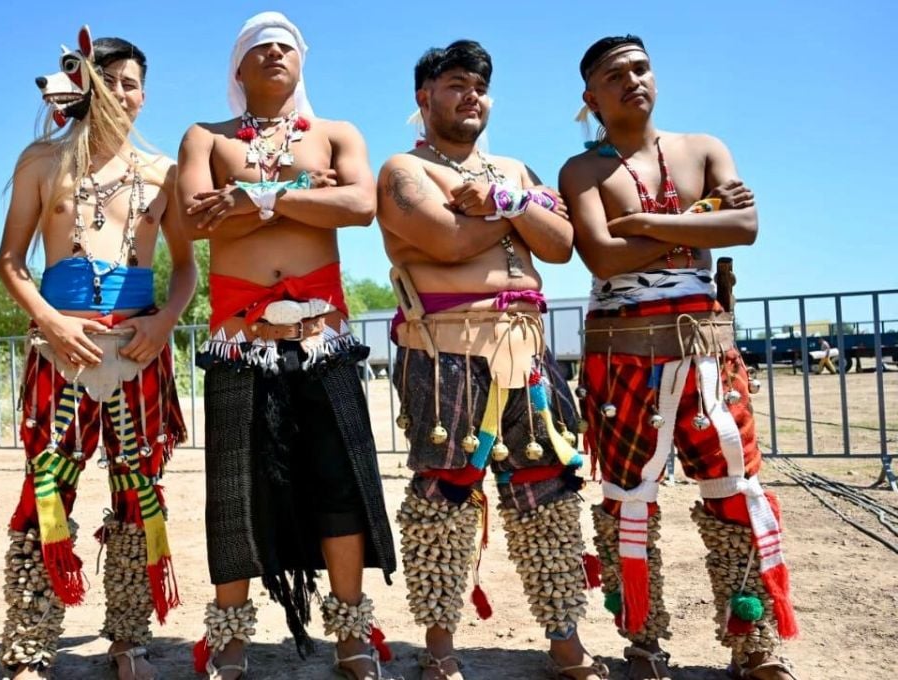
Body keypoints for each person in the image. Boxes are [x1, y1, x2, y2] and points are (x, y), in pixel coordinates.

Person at [559, 35, 799, 680]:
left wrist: (641, 222)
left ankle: (755, 642)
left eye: (642, 67)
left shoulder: (704, 148)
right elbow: (602, 259)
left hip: (707, 352)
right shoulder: (582, 172)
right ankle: (643, 642)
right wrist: (699, 220)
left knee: (736, 492)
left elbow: (744, 228)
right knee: (627, 500)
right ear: (592, 96)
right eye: (616, 74)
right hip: (623, 354)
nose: (634, 79)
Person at [175, 11, 397, 680]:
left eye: (285, 47)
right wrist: (304, 192)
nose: (274, 54)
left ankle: (351, 633)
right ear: (237, 70)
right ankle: (232, 637)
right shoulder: (206, 136)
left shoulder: (334, 133)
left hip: (323, 338)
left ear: (302, 62)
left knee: (339, 481)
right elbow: (192, 218)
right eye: (258, 48)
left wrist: (247, 196)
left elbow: (360, 206)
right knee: (236, 487)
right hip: (240, 342)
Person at [377, 39, 608, 680]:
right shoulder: (403, 169)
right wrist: (522, 213)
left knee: (551, 491)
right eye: (455, 84)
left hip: (527, 349)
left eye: (478, 85)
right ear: (424, 97)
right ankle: (440, 646)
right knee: (443, 496)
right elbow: (447, 243)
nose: (470, 95)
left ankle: (565, 639)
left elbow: (561, 245)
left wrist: (504, 201)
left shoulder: (514, 168)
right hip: (445, 348)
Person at [0, 28, 195, 680]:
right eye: (105, 80)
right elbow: (9, 261)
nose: (118, 93)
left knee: (140, 493)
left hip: (139, 349)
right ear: (80, 86)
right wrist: (51, 323)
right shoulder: (41, 162)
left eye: (129, 83)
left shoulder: (164, 172)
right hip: (63, 350)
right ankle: (29, 645)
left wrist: (165, 321)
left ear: (144, 95)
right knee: (47, 490)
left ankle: (128, 638)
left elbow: (186, 269)